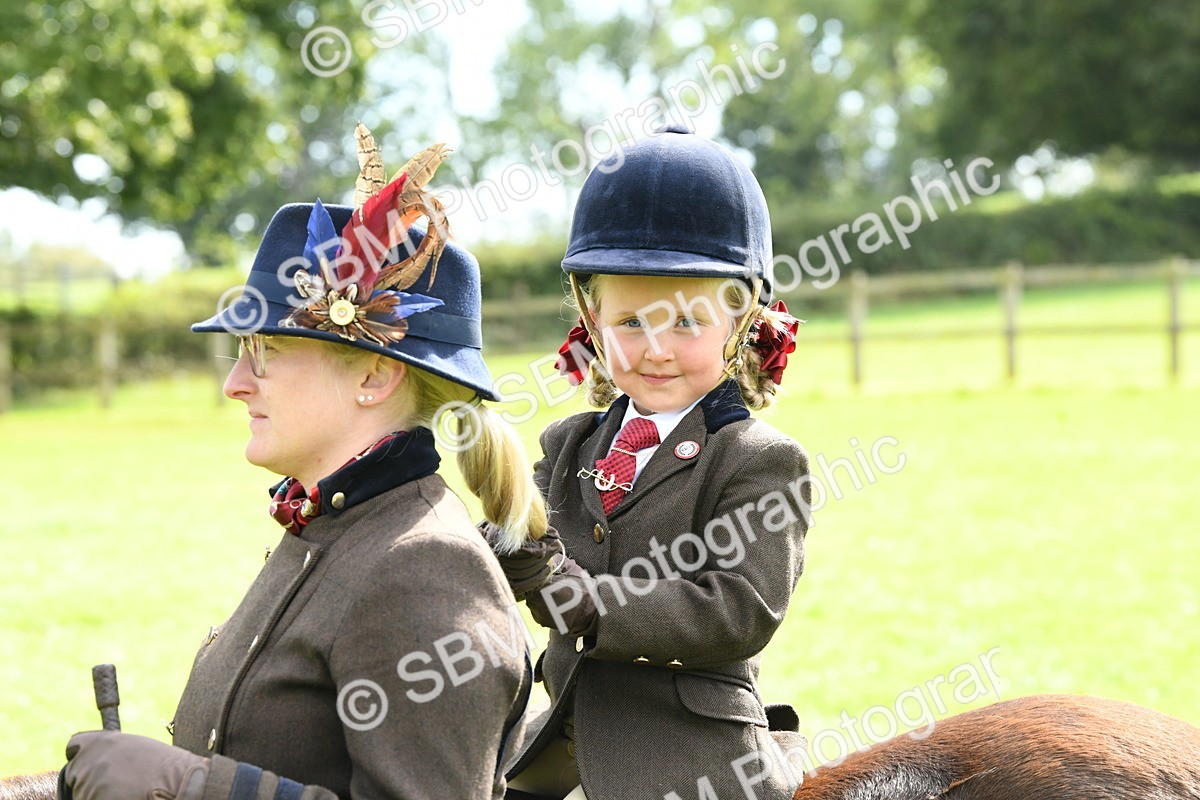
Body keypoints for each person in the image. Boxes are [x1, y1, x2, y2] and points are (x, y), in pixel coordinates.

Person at [57, 128, 544, 800]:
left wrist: (189, 785)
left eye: (267, 354)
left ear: (373, 376)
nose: (235, 385)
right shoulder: (328, 524)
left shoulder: (424, 571)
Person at [484, 127, 812, 800]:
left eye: (687, 323)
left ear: (742, 321)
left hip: (690, 759)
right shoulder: (568, 445)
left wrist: (587, 603)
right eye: (631, 322)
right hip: (558, 748)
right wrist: (501, 545)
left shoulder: (758, 459)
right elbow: (531, 557)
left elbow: (740, 609)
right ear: (591, 317)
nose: (655, 349)